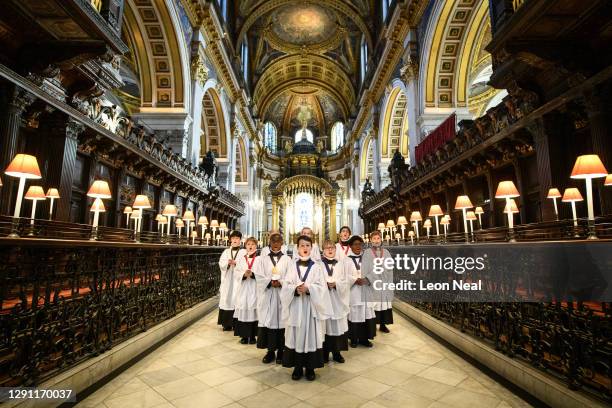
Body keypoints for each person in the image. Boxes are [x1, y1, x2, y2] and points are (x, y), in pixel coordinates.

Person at [281, 235, 332, 381]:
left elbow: (322, 288)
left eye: (307, 245)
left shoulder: (317, 267)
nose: (305, 248)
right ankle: (297, 367)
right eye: (302, 245)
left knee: (310, 335)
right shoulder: (292, 266)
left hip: (310, 308)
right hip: (296, 307)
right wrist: (295, 289)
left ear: (312, 248)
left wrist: (309, 289)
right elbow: (286, 286)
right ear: (297, 248)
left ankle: (310, 367)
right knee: (296, 335)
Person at [255, 233, 290, 364]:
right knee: (268, 321)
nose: (276, 243)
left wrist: (281, 282)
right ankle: (270, 351)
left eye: (278, 241)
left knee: (281, 322)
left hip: (281, 295)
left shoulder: (287, 260)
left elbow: (291, 277)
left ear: (282, 243)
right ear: (269, 242)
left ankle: (281, 351)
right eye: (273, 241)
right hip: (268, 295)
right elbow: (258, 276)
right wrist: (269, 282)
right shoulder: (262, 259)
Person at [343, 235, 376, 347]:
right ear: (351, 246)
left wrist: (367, 279)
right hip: (354, 292)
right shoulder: (346, 260)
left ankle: (364, 339)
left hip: (366, 290)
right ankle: (353, 339)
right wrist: (354, 280)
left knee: (366, 314)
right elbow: (343, 276)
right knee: (355, 314)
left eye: (360, 244)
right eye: (355, 244)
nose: (358, 246)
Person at [319, 240, 349, 363]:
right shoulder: (318, 265)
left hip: (337, 299)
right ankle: (325, 353)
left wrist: (336, 284)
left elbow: (346, 281)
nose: (330, 250)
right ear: (323, 250)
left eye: (332, 248)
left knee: (337, 325)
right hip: (324, 300)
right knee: (325, 326)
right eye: (327, 248)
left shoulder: (341, 264)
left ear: (335, 250)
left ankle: (337, 352)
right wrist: (324, 285)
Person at [361, 231, 394, 333]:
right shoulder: (367, 252)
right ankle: (372, 326)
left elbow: (390, 265)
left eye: (378, 238)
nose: (376, 241)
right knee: (374, 305)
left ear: (381, 240)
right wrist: (372, 275)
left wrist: (384, 268)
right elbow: (365, 266)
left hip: (384, 281)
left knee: (384, 304)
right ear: (371, 240)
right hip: (373, 283)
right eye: (374, 239)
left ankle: (383, 325)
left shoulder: (386, 252)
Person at [217, 231, 246, 331]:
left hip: (237, 280)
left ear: (240, 240)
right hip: (228, 279)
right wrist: (228, 263)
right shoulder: (226, 252)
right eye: (233, 238)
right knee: (226, 299)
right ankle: (226, 324)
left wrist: (236, 263)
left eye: (237, 238)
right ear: (230, 240)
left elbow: (246, 264)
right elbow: (221, 263)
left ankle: (236, 324)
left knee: (236, 298)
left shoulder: (243, 252)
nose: (235, 240)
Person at [233, 237, 259, 344]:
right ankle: (244, 336)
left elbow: (263, 274)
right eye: (248, 244)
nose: (250, 246)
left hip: (254, 288)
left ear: (256, 246)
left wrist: (253, 274)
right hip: (244, 288)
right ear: (245, 246)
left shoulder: (259, 259)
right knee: (244, 309)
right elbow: (236, 272)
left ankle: (253, 336)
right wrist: (243, 274)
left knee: (253, 310)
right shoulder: (241, 259)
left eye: (253, 244)